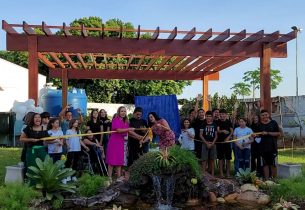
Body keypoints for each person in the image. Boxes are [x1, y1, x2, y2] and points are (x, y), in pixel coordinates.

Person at [20, 113, 50, 185]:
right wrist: (31, 139)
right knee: (32, 168)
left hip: (41, 150)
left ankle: (43, 184)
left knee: (46, 166)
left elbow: (48, 139)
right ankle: (32, 186)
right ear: (33, 119)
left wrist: (57, 139)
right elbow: (21, 139)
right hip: (31, 151)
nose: (38, 119)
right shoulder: (28, 128)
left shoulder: (44, 128)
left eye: (39, 117)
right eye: (35, 117)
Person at [106, 106, 135, 181]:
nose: (123, 113)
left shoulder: (126, 122)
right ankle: (109, 177)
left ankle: (118, 177)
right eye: (122, 111)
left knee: (119, 160)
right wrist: (129, 129)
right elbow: (118, 130)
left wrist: (140, 137)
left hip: (121, 142)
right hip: (114, 142)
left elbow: (129, 132)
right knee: (111, 160)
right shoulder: (115, 120)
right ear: (118, 112)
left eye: (124, 111)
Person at [257, 109, 281, 180]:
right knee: (265, 165)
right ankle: (267, 181)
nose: (264, 116)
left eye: (266, 115)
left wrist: (268, 133)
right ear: (260, 116)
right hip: (262, 148)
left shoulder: (273, 123)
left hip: (272, 147)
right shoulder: (259, 124)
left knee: (273, 165)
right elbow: (258, 135)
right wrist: (255, 136)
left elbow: (278, 133)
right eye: (263, 115)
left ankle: (275, 180)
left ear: (268, 115)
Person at [199, 111, 218, 176]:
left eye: (210, 116)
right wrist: (206, 143)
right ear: (205, 116)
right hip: (205, 143)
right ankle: (203, 175)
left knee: (212, 160)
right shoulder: (203, 124)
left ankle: (212, 175)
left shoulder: (214, 125)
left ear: (212, 117)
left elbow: (216, 136)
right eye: (207, 116)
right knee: (204, 159)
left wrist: (212, 143)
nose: (208, 117)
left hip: (213, 144)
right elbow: (200, 135)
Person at [216, 109, 233, 178]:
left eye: (223, 114)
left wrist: (228, 137)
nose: (222, 116)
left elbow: (232, 131)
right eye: (220, 114)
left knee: (228, 158)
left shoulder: (229, 122)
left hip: (227, 143)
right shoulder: (218, 122)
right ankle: (221, 173)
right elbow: (217, 131)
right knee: (220, 158)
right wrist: (222, 131)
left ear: (226, 115)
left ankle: (228, 173)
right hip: (220, 143)